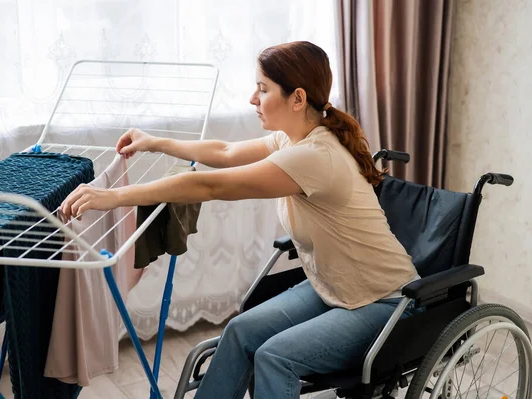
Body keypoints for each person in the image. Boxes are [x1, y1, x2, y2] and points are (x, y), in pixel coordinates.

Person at [59, 41, 421, 399]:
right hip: (332, 290)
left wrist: (112, 197)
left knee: (275, 357)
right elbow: (225, 152)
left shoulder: (315, 156)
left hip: (384, 303)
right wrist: (155, 141)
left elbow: (211, 185)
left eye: (263, 89)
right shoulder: (293, 138)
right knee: (239, 333)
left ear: (297, 98)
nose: (252, 99)